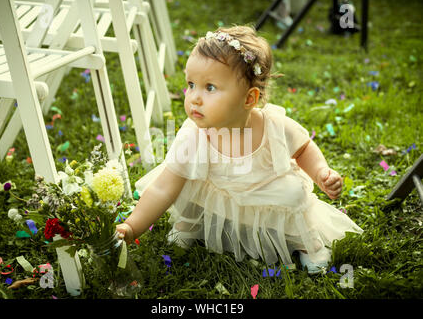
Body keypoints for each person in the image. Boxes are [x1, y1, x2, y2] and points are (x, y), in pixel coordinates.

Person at [117, 25, 363, 274]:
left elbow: (303, 148)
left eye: (209, 88)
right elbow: (163, 187)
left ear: (249, 99)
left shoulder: (274, 126)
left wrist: (321, 172)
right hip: (217, 191)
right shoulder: (194, 133)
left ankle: (305, 243)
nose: (194, 98)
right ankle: (192, 223)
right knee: (189, 183)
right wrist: (131, 227)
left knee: (293, 196)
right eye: (191, 84)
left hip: (265, 192)